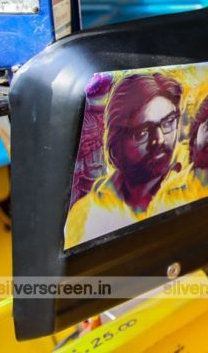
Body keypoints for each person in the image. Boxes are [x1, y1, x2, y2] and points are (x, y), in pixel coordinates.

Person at [65, 73, 183, 246]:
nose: (159, 140)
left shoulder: (188, 184)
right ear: (117, 144)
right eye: (142, 132)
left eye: (168, 123)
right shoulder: (89, 216)